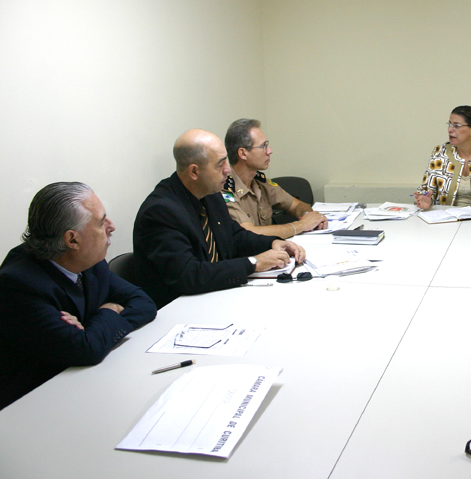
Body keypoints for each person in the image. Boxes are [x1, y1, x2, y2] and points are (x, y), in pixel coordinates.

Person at [0, 182, 156, 410]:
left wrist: (93, 326)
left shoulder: (88, 261)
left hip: (85, 383)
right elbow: (86, 350)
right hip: (33, 405)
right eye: (102, 221)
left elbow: (144, 303)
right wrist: (109, 310)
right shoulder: (18, 285)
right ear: (72, 239)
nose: (111, 226)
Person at [133, 129, 305, 308]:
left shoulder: (210, 195)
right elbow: (189, 275)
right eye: (220, 164)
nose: (228, 170)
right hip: (180, 310)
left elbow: (234, 236)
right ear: (194, 172)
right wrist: (253, 263)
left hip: (215, 296)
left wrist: (272, 243)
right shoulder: (161, 212)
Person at [222, 118, 327, 238]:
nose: (270, 151)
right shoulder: (225, 190)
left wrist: (309, 216)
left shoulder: (260, 182)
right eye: (263, 146)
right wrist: (301, 225)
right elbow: (248, 233)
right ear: (243, 153)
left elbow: (296, 205)